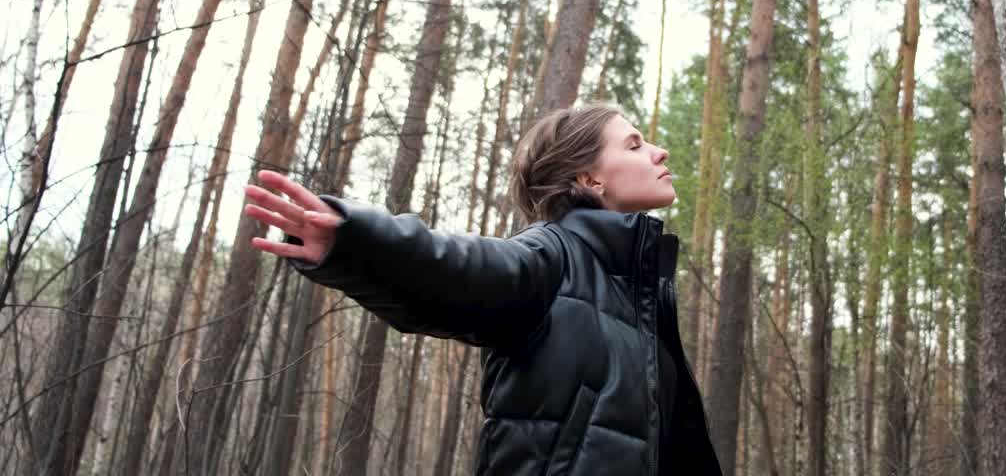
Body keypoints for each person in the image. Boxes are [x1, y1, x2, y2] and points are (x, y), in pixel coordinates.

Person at [245, 104, 723, 475]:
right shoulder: (551, 257)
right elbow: (455, 267)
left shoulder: (639, 297)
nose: (659, 152)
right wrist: (356, 242)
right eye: (634, 145)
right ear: (589, 178)